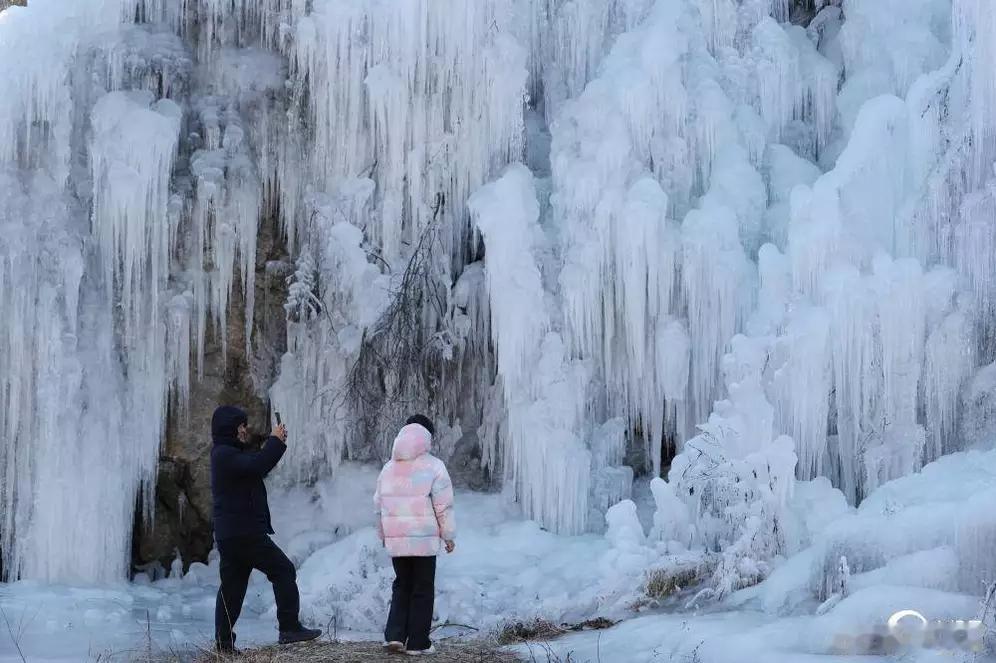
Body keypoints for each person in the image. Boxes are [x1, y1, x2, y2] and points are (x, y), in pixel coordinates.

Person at [210, 405, 321, 653]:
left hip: (232, 534)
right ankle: (289, 628)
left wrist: (273, 443)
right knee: (283, 570)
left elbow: (255, 462)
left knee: (232, 589)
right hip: (244, 532)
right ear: (230, 429)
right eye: (241, 426)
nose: (245, 429)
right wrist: (276, 442)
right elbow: (259, 465)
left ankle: (224, 645)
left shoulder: (226, 454)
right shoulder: (225, 455)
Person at [374, 414, 457, 656]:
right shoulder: (434, 466)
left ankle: (395, 636)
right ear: (427, 437)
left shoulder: (388, 468)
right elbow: (443, 505)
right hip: (423, 540)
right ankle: (418, 643)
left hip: (397, 541)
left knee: (402, 585)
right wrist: (448, 535)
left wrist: (384, 535)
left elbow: (378, 506)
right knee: (422, 587)